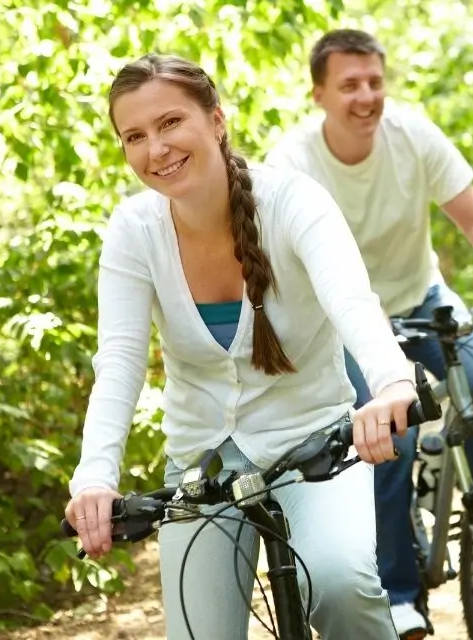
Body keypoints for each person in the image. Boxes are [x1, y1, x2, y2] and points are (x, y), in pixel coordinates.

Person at [64, 53, 422, 640]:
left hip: (316, 443)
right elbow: (121, 362)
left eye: (171, 122)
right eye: (135, 136)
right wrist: (95, 479)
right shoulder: (134, 231)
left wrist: (391, 383)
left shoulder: (293, 201)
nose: (157, 148)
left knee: (340, 585)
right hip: (201, 463)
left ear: (216, 120)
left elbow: (352, 301)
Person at [264, 28, 473, 638]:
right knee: (389, 439)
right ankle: (401, 592)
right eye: (349, 85)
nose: (366, 97)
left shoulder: (413, 136)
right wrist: (359, 317)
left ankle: (445, 479)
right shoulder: (293, 163)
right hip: (345, 320)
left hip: (421, 296)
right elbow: (287, 265)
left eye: (374, 82)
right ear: (318, 94)